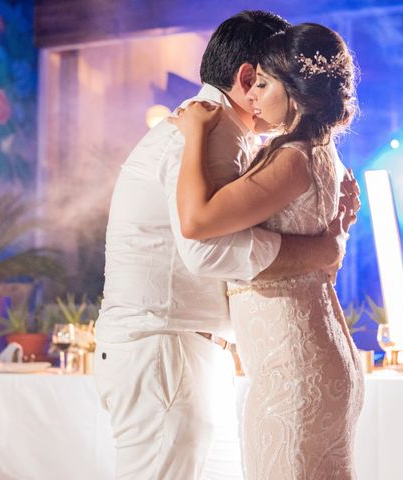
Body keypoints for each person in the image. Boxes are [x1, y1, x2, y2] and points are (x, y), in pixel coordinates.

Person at [94, 11, 360, 480]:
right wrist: (321, 252)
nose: (260, 95)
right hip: (165, 348)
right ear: (246, 76)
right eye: (262, 81)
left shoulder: (261, 145)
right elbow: (207, 251)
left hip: (188, 349)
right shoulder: (211, 134)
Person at [170, 23, 364, 478]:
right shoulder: (319, 153)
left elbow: (196, 221)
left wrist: (195, 132)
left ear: (294, 90)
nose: (252, 94)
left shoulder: (292, 159)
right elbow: (325, 260)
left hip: (294, 372)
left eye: (264, 83)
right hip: (310, 358)